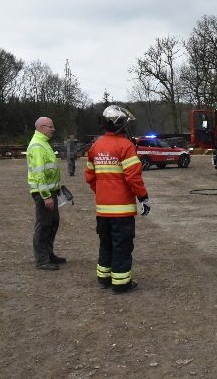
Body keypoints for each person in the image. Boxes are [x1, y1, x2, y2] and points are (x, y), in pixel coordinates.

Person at [85, 105, 150, 293]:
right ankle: (121, 283)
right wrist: (143, 197)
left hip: (103, 209)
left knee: (105, 244)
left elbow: (89, 176)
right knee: (122, 245)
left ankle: (103, 278)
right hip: (122, 210)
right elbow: (133, 177)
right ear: (120, 124)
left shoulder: (95, 146)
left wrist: (104, 192)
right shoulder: (125, 146)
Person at [27, 117, 66, 270]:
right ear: (42, 127)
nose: (53, 129)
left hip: (51, 191)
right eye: (51, 126)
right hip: (44, 193)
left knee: (52, 223)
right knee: (43, 225)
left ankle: (48, 254)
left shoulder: (43, 143)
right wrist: (46, 196)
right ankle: (42, 260)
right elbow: (38, 174)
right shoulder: (37, 145)